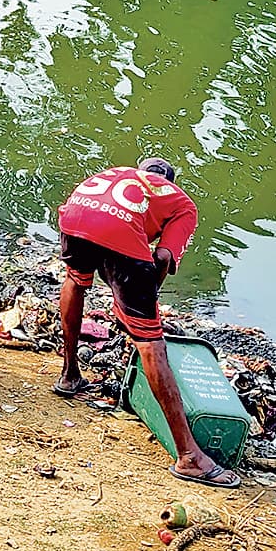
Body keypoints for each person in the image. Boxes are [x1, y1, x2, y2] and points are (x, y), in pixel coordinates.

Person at [54, 158, 241, 488]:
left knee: (75, 281)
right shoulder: (181, 203)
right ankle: (190, 457)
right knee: (151, 342)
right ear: (170, 181)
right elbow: (163, 257)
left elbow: (103, 223)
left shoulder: (120, 174)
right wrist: (144, 305)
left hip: (75, 218)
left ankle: (69, 376)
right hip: (115, 230)